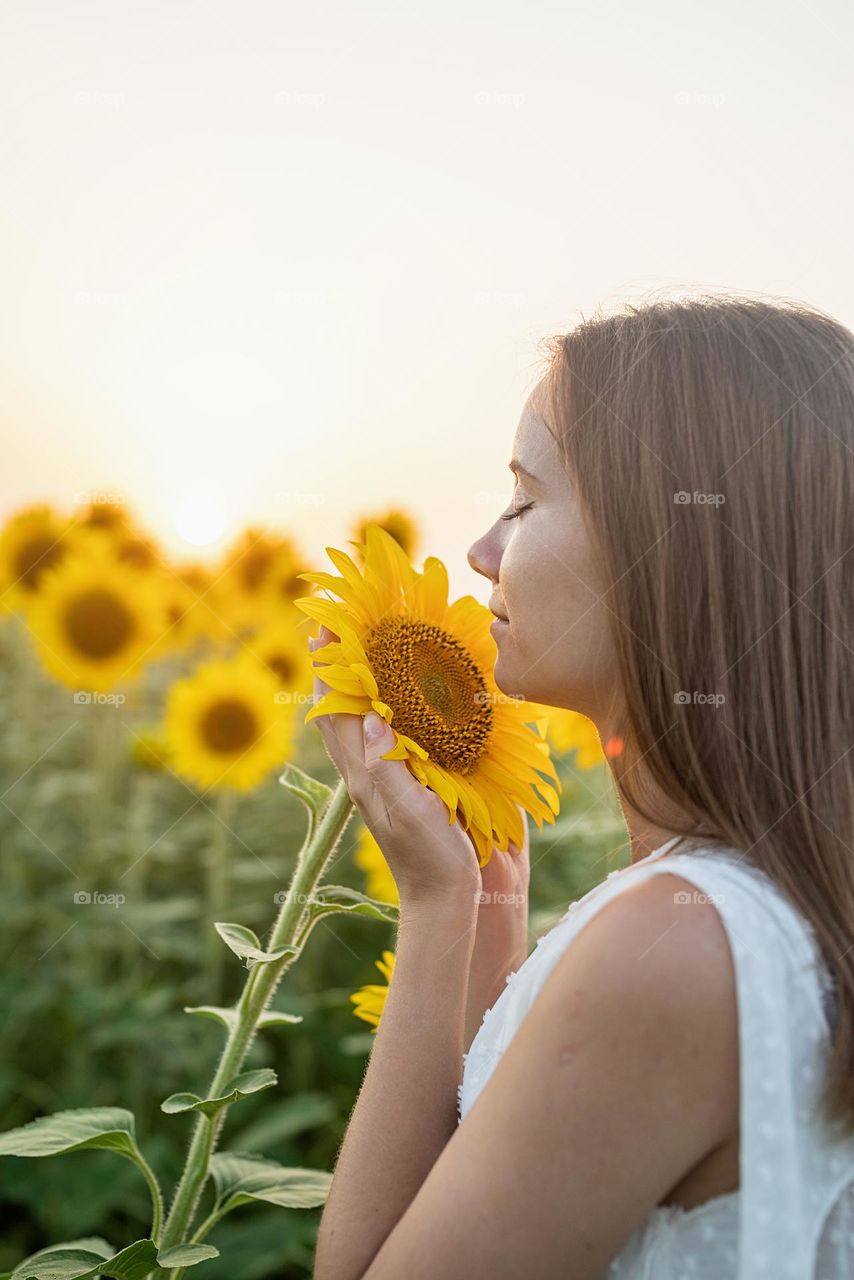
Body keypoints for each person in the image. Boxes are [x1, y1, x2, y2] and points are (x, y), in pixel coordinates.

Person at [310, 294, 854, 1279]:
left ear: (670, 544)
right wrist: (485, 902)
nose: (478, 553)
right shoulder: (773, 900)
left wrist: (433, 911)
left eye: (522, 499)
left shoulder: (669, 947)